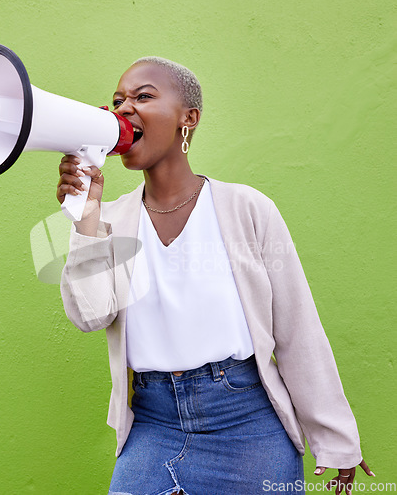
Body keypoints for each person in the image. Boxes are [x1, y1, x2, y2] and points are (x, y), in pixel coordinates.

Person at [57, 57, 373, 495]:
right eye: (116, 101)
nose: (123, 109)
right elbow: (89, 316)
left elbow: (297, 330)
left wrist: (337, 440)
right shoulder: (109, 219)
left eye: (143, 96)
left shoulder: (247, 209)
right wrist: (86, 217)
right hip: (152, 423)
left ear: (190, 118)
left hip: (246, 424)